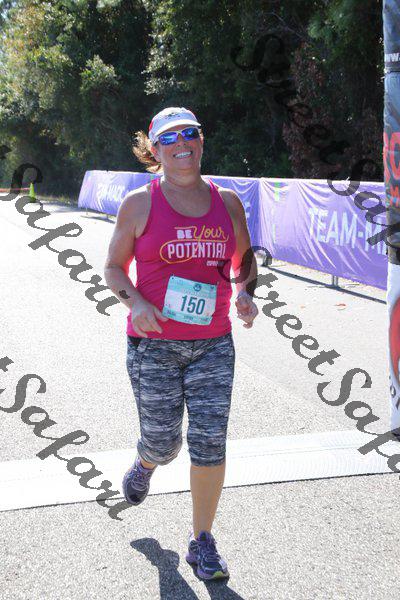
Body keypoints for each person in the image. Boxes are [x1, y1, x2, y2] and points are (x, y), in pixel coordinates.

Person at [104, 107, 259, 580]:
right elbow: (112, 268)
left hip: (213, 344)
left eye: (189, 134)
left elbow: (245, 259)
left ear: (201, 140)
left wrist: (246, 292)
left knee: (210, 443)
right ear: (154, 150)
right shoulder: (139, 204)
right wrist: (136, 302)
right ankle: (146, 462)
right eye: (169, 139)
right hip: (154, 345)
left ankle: (202, 540)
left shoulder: (227, 202)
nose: (181, 144)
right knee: (164, 441)